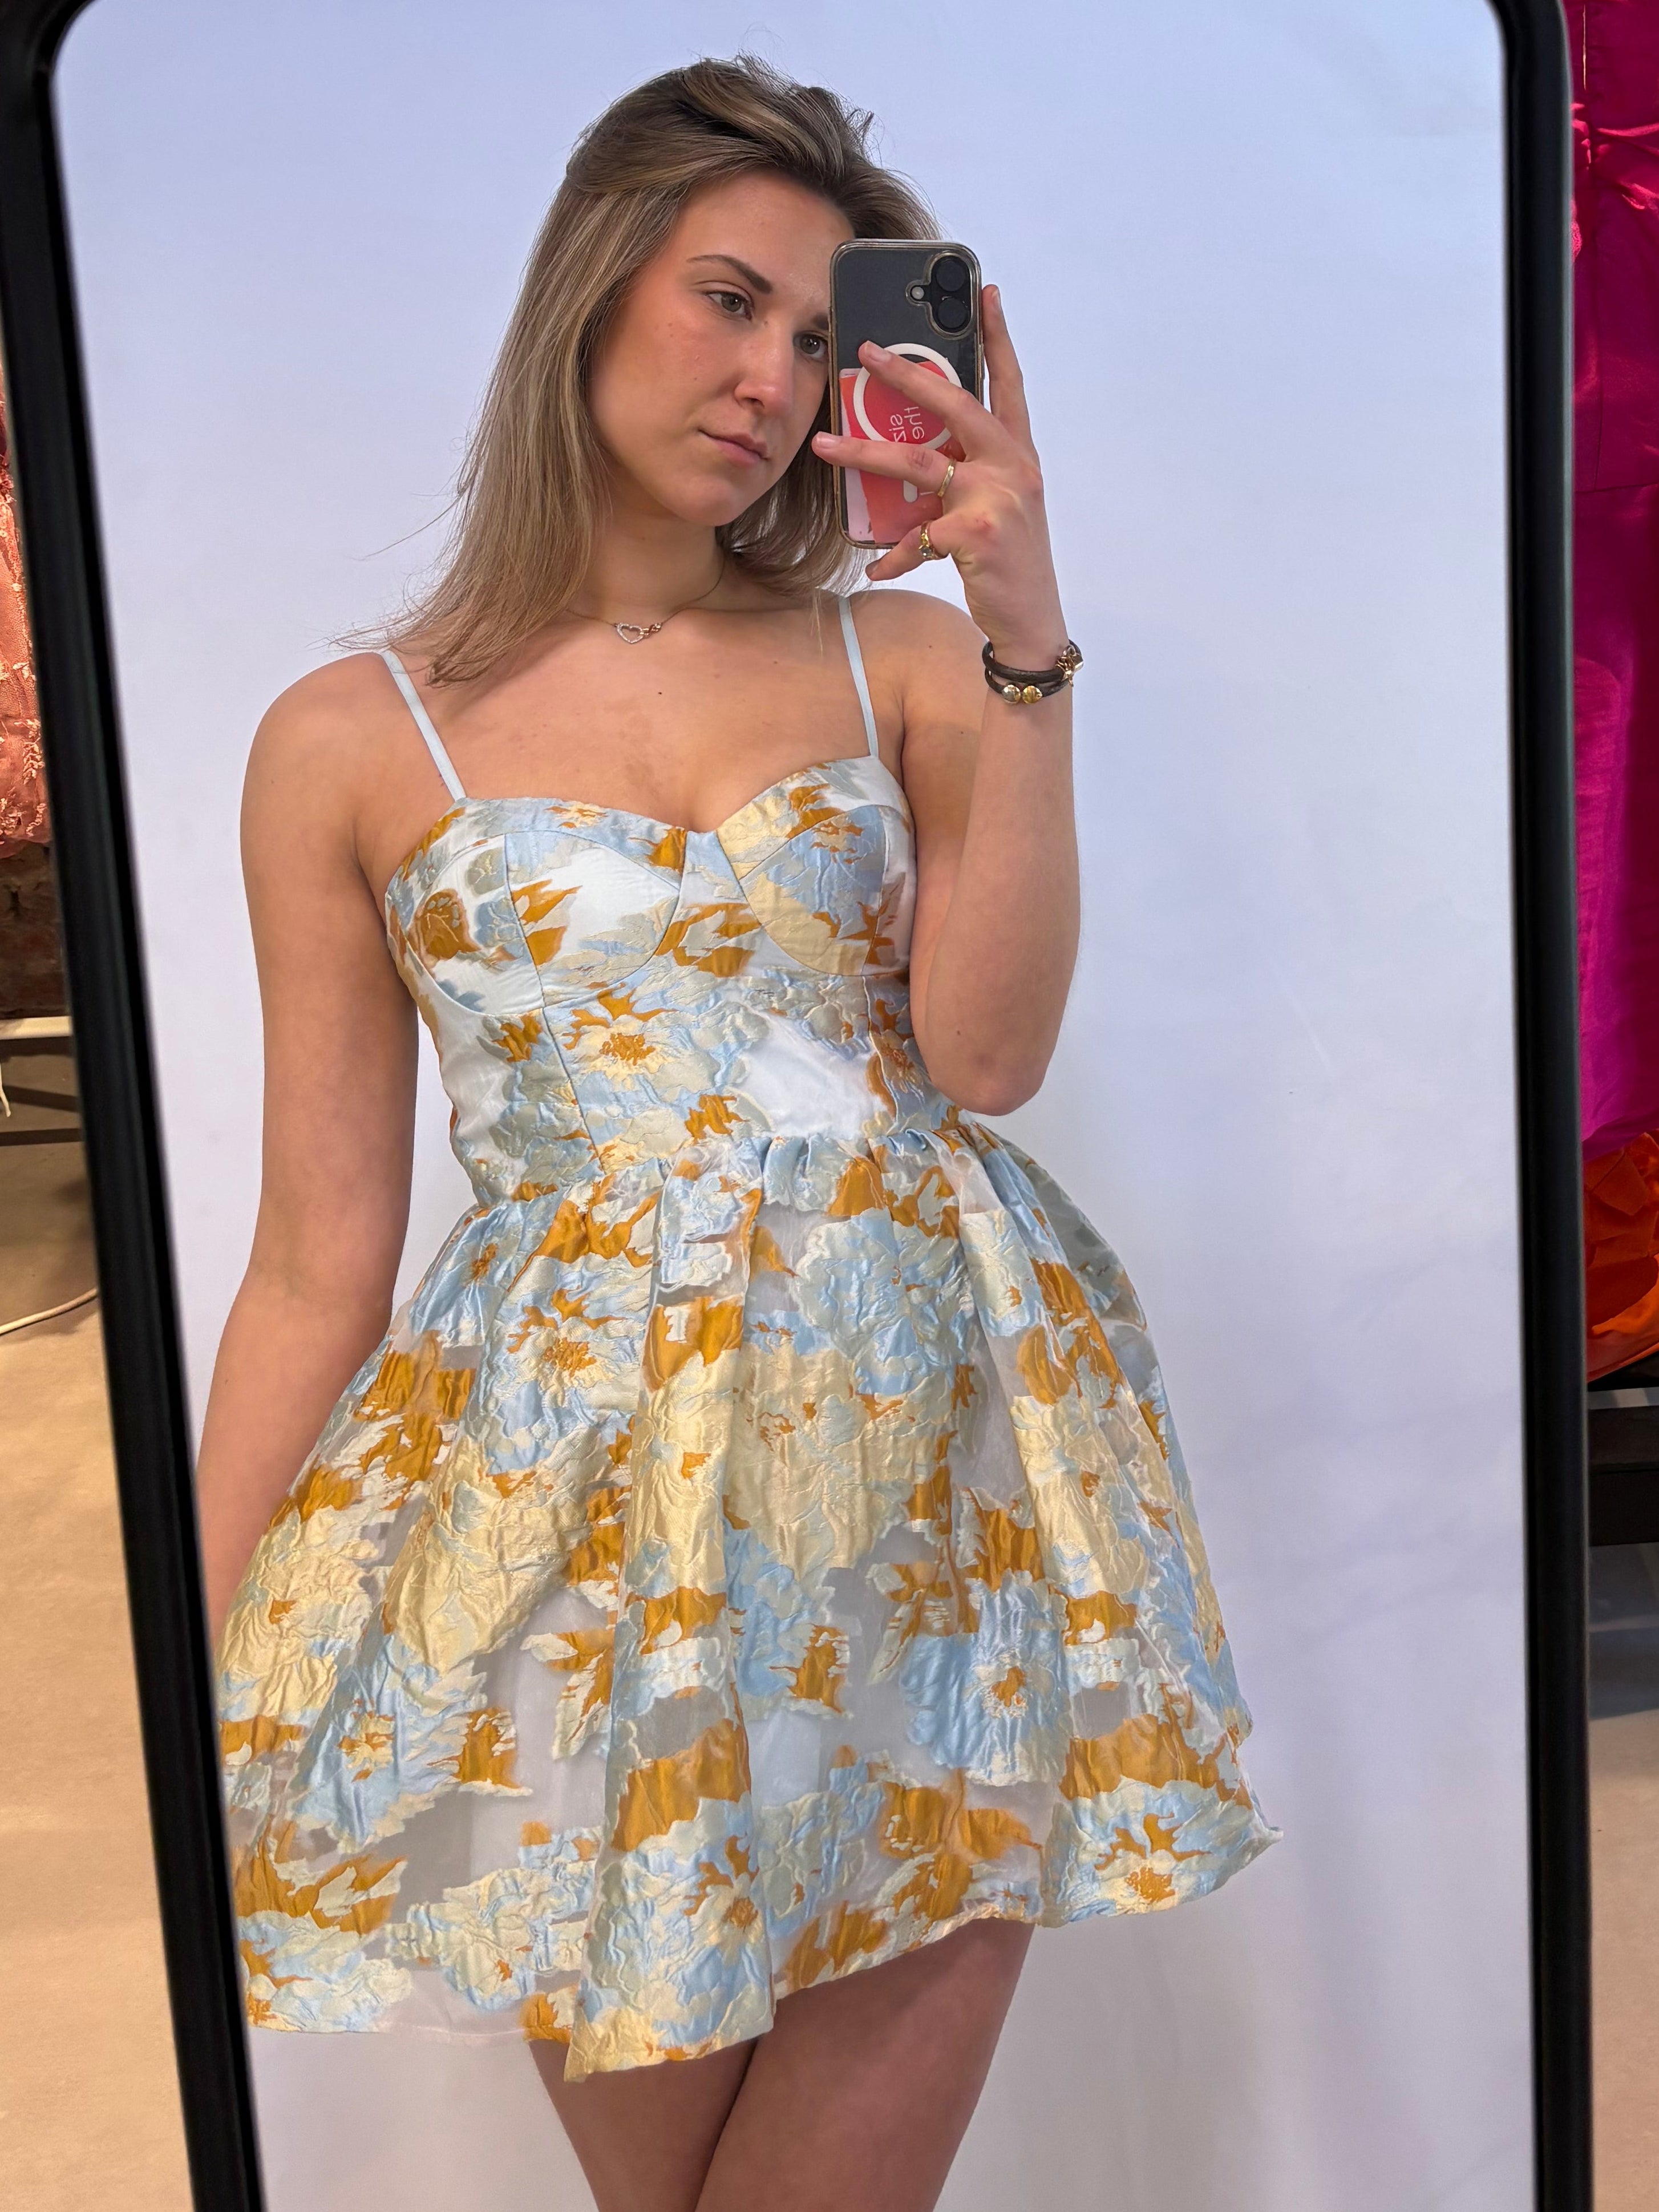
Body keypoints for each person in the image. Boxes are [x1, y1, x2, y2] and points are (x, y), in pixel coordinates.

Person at [201, 54, 1276, 2212]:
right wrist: (194, 1629)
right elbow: (317, 1256)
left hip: (934, 1483)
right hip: (575, 1530)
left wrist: (1026, 629)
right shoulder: (345, 739)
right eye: (726, 300)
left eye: (815, 332)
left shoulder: (907, 658)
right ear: (591, 287)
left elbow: (986, 1057)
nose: (775, 378)